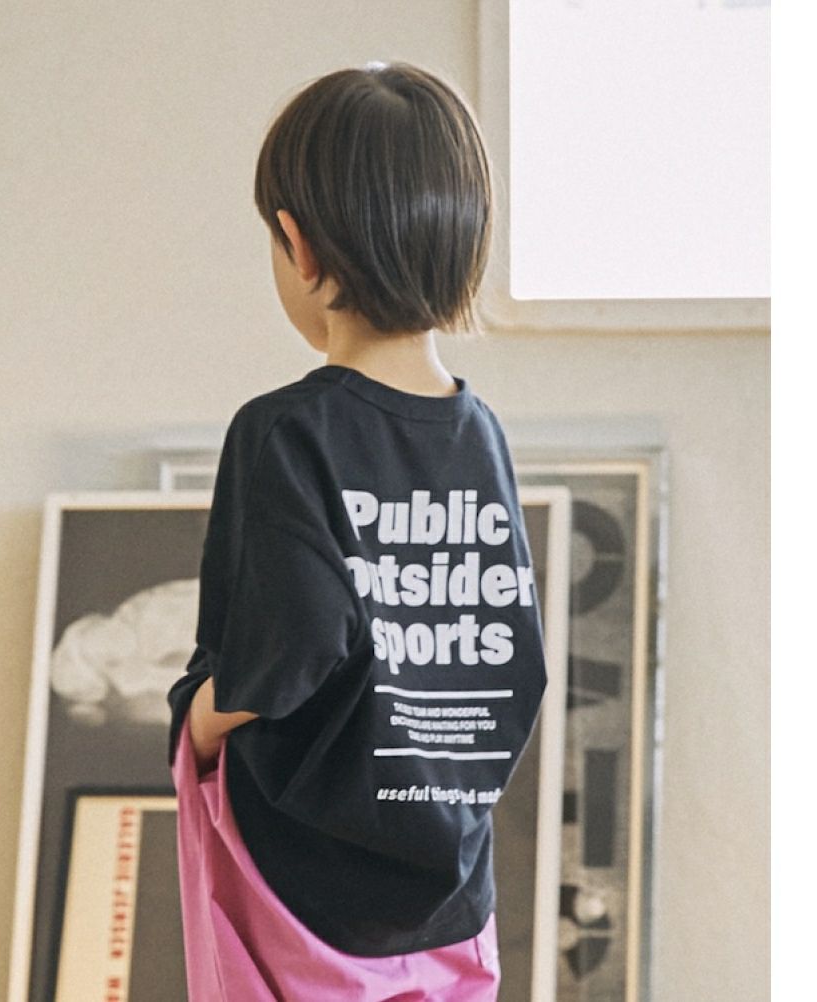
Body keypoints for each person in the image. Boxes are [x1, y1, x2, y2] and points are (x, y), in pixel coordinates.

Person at [167, 60, 548, 1001]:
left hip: (304, 890)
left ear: (298, 246)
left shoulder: (286, 431)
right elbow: (511, 653)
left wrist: (197, 724)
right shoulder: (480, 433)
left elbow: (286, 649)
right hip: (451, 889)